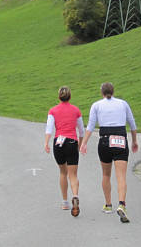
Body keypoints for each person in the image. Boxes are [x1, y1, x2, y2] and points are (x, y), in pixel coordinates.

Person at [80, 82, 138, 223]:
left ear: (102, 92)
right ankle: (122, 204)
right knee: (121, 176)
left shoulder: (97, 105)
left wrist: (84, 143)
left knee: (106, 174)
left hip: (105, 140)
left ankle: (108, 205)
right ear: (113, 91)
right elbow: (132, 123)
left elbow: (91, 126)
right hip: (120, 139)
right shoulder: (123, 104)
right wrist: (134, 141)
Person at [45, 86, 84, 217]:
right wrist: (81, 142)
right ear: (70, 97)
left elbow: (49, 129)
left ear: (59, 97)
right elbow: (81, 130)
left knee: (63, 172)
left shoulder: (53, 111)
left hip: (59, 143)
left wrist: (46, 143)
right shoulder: (76, 110)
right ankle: (75, 195)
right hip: (72, 142)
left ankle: (65, 202)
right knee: (73, 174)